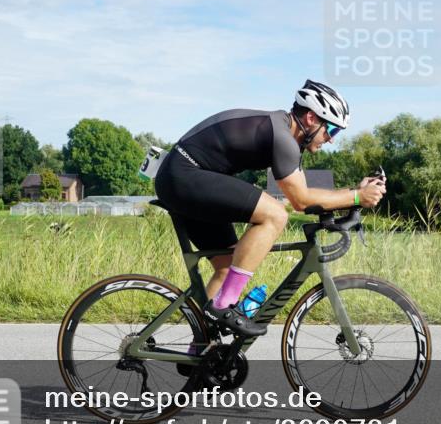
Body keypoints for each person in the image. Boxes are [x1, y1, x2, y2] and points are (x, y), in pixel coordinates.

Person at [154, 80, 386, 337]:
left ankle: (200, 350)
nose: (330, 140)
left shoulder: (282, 131)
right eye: (331, 129)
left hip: (184, 177)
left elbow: (306, 191)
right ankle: (222, 307)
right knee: (275, 214)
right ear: (310, 118)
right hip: (184, 176)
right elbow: (301, 200)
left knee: (226, 265)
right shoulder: (282, 137)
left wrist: (353, 192)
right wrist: (357, 197)